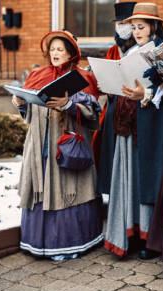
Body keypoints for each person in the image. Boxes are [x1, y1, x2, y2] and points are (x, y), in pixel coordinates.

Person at [14, 30, 103, 260]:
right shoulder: (37, 75)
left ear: (71, 53)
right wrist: (21, 104)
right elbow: (30, 114)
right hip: (38, 146)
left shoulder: (82, 78)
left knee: (65, 190)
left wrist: (68, 105)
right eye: (52, 49)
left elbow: (92, 116)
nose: (55, 53)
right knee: (41, 188)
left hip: (65, 145)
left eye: (60, 49)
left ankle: (69, 243)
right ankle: (37, 242)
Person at [103, 3, 163, 259]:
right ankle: (130, 231)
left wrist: (147, 94)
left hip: (151, 125)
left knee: (146, 178)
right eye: (134, 27)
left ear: (153, 27)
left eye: (141, 26)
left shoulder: (161, 53)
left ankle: (148, 236)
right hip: (128, 124)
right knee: (130, 175)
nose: (137, 31)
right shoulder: (130, 53)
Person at [94, 1, 136, 199]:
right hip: (113, 107)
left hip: (133, 107)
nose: (122, 26)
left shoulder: (140, 48)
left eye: (126, 22)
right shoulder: (112, 50)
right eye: (118, 23)